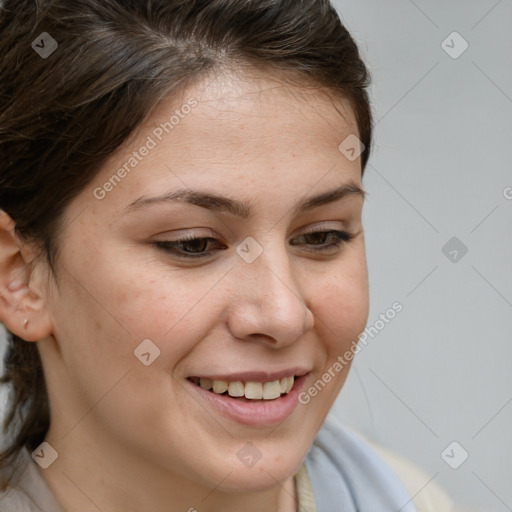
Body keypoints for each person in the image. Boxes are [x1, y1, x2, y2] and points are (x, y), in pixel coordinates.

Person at [0, 1, 454, 510]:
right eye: (192, 244)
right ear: (19, 275)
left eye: (321, 236)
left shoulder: (412, 497)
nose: (283, 316)